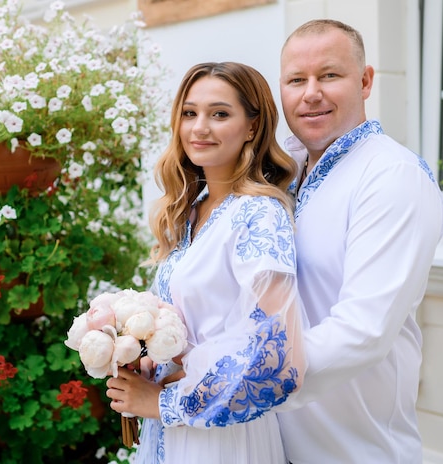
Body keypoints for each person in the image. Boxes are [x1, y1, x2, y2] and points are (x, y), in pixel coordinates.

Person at [105, 62, 306, 463]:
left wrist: (164, 403)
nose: (199, 128)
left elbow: (278, 357)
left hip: (222, 440)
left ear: (252, 126)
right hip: (171, 430)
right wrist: (147, 353)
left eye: (219, 114)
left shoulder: (258, 215)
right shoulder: (189, 211)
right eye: (189, 113)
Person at [275, 19, 443, 463]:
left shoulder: (392, 176)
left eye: (329, 75)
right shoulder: (281, 174)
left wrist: (242, 384)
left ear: (366, 81)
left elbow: (362, 330)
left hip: (355, 451)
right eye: (296, 79)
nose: (310, 92)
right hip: (272, 446)